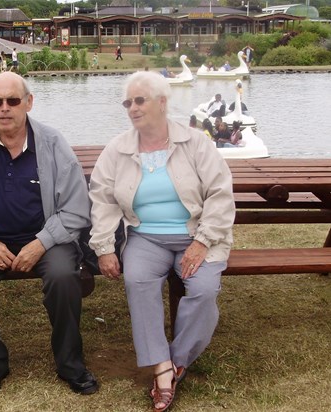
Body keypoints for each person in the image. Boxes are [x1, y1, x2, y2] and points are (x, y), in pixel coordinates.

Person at [0, 72, 98, 398]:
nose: (5, 108)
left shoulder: (54, 144)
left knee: (63, 276)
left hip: (46, 236)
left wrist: (41, 242)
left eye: (13, 100)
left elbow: (77, 208)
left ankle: (70, 362)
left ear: (29, 102)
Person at [88, 71, 235, 412]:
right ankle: (161, 370)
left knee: (203, 290)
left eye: (140, 100)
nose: (133, 108)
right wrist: (105, 247)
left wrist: (203, 241)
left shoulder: (196, 142)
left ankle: (178, 359)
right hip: (146, 237)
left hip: (195, 235)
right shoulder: (118, 149)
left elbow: (220, 194)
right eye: (128, 102)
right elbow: (103, 198)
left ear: (163, 102)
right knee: (138, 280)